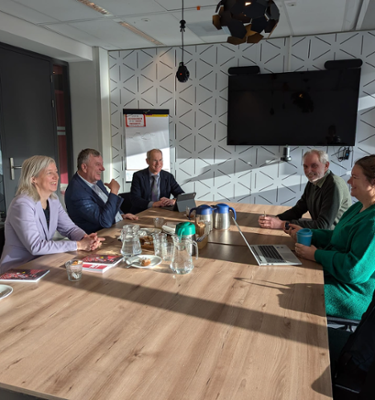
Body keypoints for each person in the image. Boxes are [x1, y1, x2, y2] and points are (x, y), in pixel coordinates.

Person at [287, 155, 375, 320]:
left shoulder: (373, 222)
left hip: (354, 291)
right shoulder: (358, 207)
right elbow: (337, 237)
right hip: (337, 277)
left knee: (296, 295)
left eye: (355, 177)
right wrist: (308, 234)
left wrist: (316, 255)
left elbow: (354, 271)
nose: (349, 182)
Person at [0, 156, 103, 273]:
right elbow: (36, 246)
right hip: (18, 269)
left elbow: (70, 229)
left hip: (43, 264)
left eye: (56, 172)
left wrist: (86, 238)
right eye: (50, 173)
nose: (56, 177)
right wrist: (78, 245)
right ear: (33, 178)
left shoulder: (53, 200)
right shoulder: (22, 204)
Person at [258, 149, 351, 230]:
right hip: (322, 236)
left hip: (334, 240)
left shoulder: (334, 185)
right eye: (305, 166)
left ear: (326, 165)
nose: (308, 171)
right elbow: (299, 209)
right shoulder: (313, 182)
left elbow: (322, 226)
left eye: (314, 166)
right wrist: (276, 219)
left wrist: (283, 224)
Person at [65, 149, 138, 234]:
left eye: (102, 164)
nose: (102, 168)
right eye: (97, 164)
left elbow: (106, 205)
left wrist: (120, 215)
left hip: (113, 228)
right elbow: (105, 222)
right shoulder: (77, 192)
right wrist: (114, 192)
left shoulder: (95, 180)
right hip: (97, 238)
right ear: (84, 167)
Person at [130, 149, 184, 214]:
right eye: (155, 160)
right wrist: (154, 204)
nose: (158, 164)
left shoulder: (168, 176)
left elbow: (181, 194)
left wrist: (174, 201)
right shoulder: (138, 176)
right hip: (142, 212)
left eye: (160, 160)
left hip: (163, 212)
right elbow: (135, 199)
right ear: (147, 161)